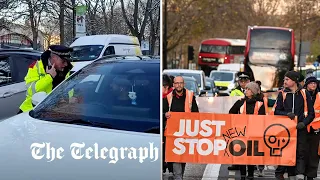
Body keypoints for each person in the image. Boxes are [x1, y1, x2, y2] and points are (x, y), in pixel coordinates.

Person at [273, 71, 315, 180]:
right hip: (286, 130)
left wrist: (303, 123)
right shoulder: (282, 94)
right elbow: (277, 111)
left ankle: (300, 175)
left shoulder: (305, 94)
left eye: (287, 79)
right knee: (287, 151)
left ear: (294, 80)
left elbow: (311, 113)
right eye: (284, 80)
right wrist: (286, 114)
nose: (284, 82)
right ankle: (290, 174)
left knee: (301, 152)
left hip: (301, 129)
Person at [18, 45, 73, 113]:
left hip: (52, 111)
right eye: (63, 61)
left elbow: (68, 90)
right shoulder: (36, 67)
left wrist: (69, 100)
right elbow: (32, 90)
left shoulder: (66, 70)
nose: (66, 65)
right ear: (54, 58)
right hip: (30, 111)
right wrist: (49, 77)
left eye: (67, 62)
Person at [163, 76, 199, 180]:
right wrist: (165, 114)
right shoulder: (168, 98)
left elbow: (196, 113)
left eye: (181, 83)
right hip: (173, 133)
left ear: (184, 84)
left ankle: (180, 176)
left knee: (183, 156)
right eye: (176, 83)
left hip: (186, 131)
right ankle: (178, 177)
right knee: (175, 156)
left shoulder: (190, 96)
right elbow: (162, 112)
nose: (179, 85)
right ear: (173, 85)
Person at [229, 82, 267, 180]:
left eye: (248, 89)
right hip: (241, 133)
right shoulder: (240, 102)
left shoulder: (259, 104)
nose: (246, 91)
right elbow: (231, 113)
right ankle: (242, 176)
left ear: (253, 91)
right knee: (242, 155)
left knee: (251, 155)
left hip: (254, 133)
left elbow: (262, 118)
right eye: (245, 89)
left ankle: (250, 175)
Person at [303, 76, 320, 180]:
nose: (313, 85)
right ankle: (302, 173)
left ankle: (310, 176)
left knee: (314, 155)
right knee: (303, 153)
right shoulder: (302, 95)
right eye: (311, 83)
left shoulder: (319, 96)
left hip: (316, 130)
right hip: (304, 129)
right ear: (306, 84)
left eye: (315, 83)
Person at [162, 74, 173, 174]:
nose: (165, 89)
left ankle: (169, 166)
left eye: (167, 87)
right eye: (164, 86)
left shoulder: (171, 97)